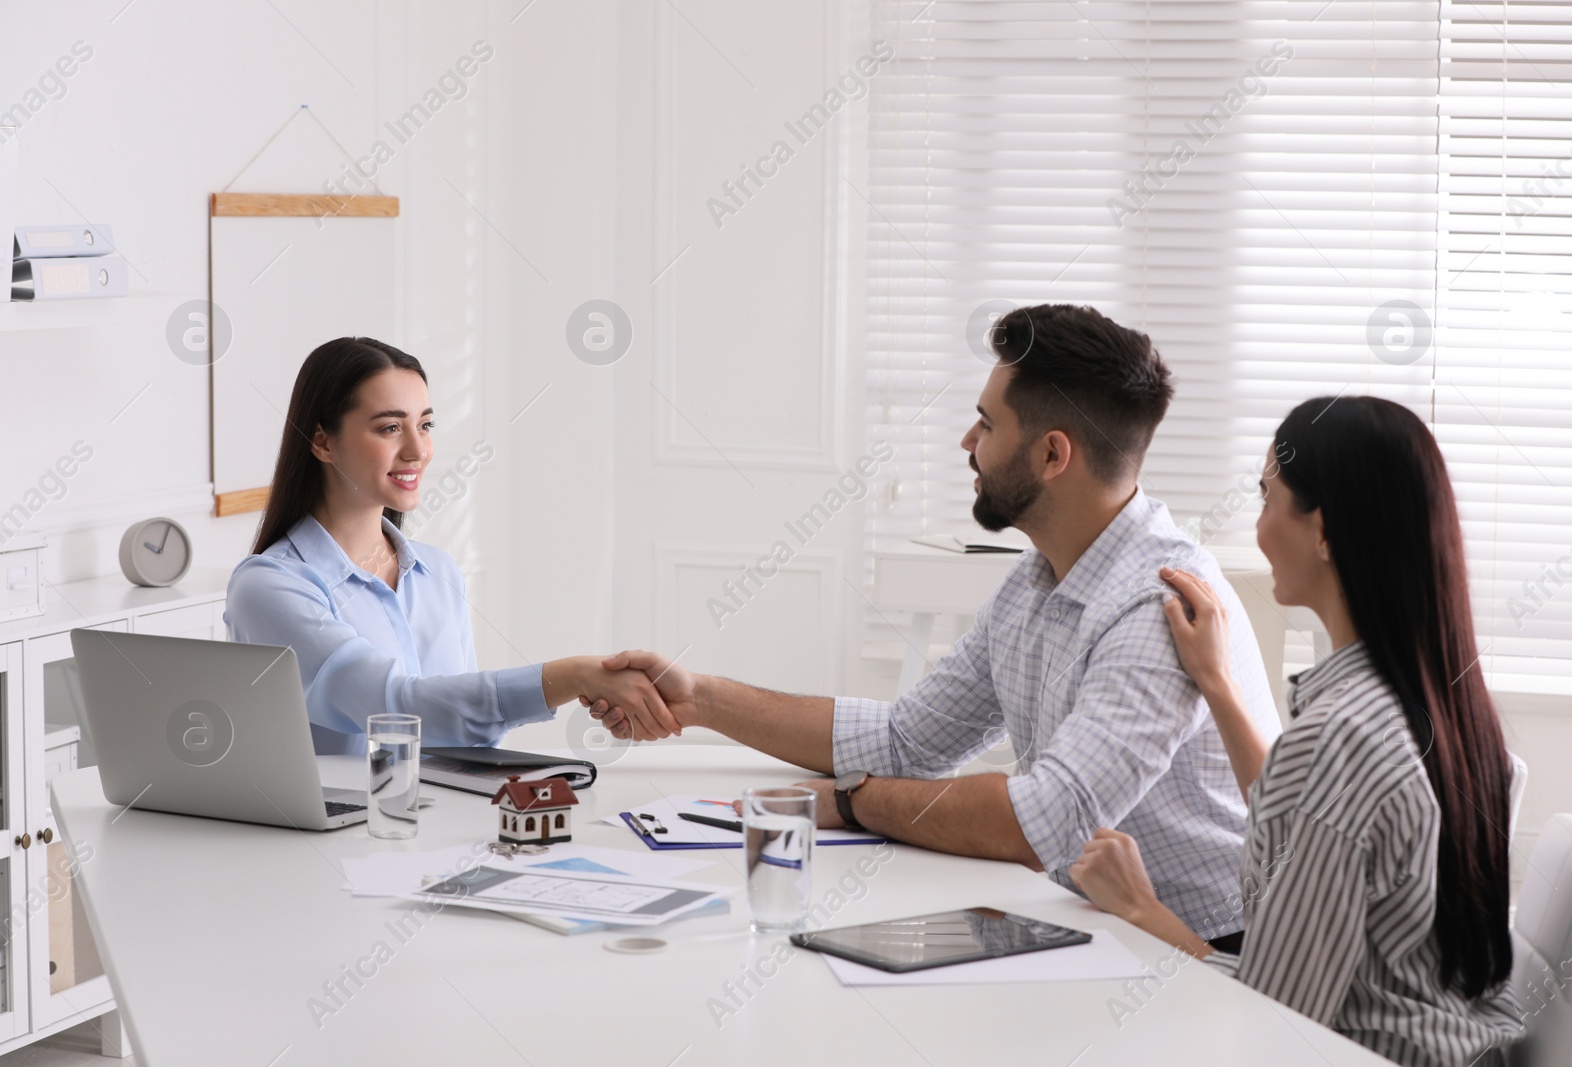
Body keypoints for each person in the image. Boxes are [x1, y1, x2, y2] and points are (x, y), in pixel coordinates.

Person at [587, 304, 1282, 946]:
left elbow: (1041, 823)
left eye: (987, 423)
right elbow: (905, 740)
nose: (967, 441)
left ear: (1052, 455)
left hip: (1200, 951)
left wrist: (849, 804)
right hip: (1082, 918)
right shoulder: (1035, 580)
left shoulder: (1156, 607)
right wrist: (700, 699)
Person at [1070, 396, 1524, 1066]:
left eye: (1267, 496)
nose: (1256, 528)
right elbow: (1316, 827)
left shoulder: (1339, 739)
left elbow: (1274, 1018)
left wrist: (1142, 908)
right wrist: (1218, 682)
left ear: (1324, 529)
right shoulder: (1448, 713)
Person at [225, 337, 678, 756]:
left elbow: (459, 735)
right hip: (335, 838)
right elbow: (396, 709)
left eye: (425, 425)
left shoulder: (437, 572)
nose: (417, 450)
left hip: (443, 830)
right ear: (323, 441)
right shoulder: (269, 587)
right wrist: (575, 676)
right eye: (389, 428)